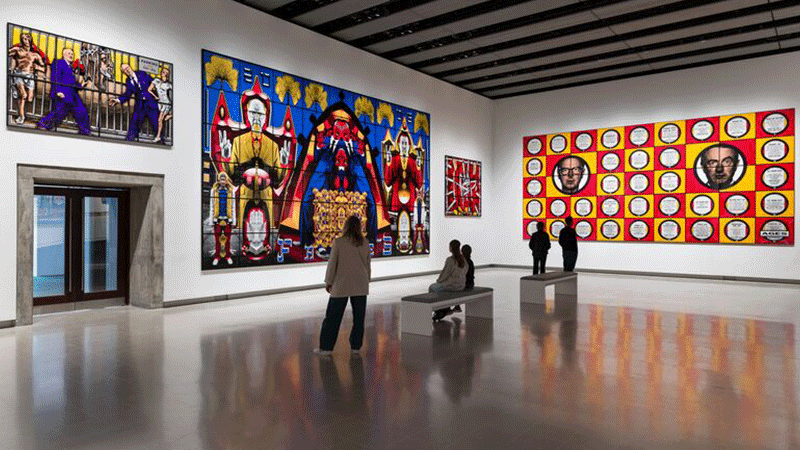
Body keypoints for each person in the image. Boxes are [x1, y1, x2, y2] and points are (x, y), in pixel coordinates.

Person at [314, 215, 371, 356]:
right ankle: (356, 346)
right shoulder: (365, 243)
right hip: (360, 284)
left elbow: (332, 264)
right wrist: (367, 280)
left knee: (333, 317)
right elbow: (367, 265)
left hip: (341, 284)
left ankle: (326, 347)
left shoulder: (339, 242)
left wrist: (329, 281)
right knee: (359, 318)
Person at [37, 48, 91, 135]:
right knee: (60, 111)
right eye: (69, 53)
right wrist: (57, 91)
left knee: (81, 110)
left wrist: (80, 86)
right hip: (63, 92)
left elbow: (71, 83)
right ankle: (43, 124)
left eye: (72, 54)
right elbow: (55, 77)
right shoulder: (59, 62)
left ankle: (85, 131)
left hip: (72, 94)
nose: (71, 55)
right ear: (64, 55)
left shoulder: (69, 67)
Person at [109, 64, 159, 141]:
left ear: (131, 67)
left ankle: (160, 140)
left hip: (151, 102)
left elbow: (153, 81)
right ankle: (129, 140)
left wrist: (159, 93)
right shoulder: (128, 81)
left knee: (156, 123)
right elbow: (127, 94)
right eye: (124, 70)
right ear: (123, 73)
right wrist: (118, 100)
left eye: (127, 68)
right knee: (134, 122)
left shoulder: (141, 73)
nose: (127, 70)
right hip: (140, 105)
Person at [8, 32, 46, 124]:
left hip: (30, 76)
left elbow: (43, 67)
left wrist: (37, 67)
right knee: (23, 95)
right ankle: (21, 116)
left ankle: (22, 112)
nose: (27, 41)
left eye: (28, 39)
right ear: (22, 40)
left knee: (30, 98)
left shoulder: (35, 55)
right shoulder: (17, 50)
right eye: (25, 39)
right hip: (19, 74)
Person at [431, 239, 468, 322]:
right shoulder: (463, 260)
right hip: (461, 286)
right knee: (439, 288)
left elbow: (445, 274)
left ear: (451, 248)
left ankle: (439, 309)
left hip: (452, 286)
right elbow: (465, 271)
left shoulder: (450, 260)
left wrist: (439, 281)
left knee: (432, 287)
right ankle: (443, 308)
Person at [147, 66, 173, 143]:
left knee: (160, 120)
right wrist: (155, 96)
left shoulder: (168, 84)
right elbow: (149, 89)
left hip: (166, 103)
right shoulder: (156, 81)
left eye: (165, 72)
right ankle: (170, 116)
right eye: (162, 71)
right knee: (161, 120)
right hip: (160, 102)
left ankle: (158, 136)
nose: (163, 73)